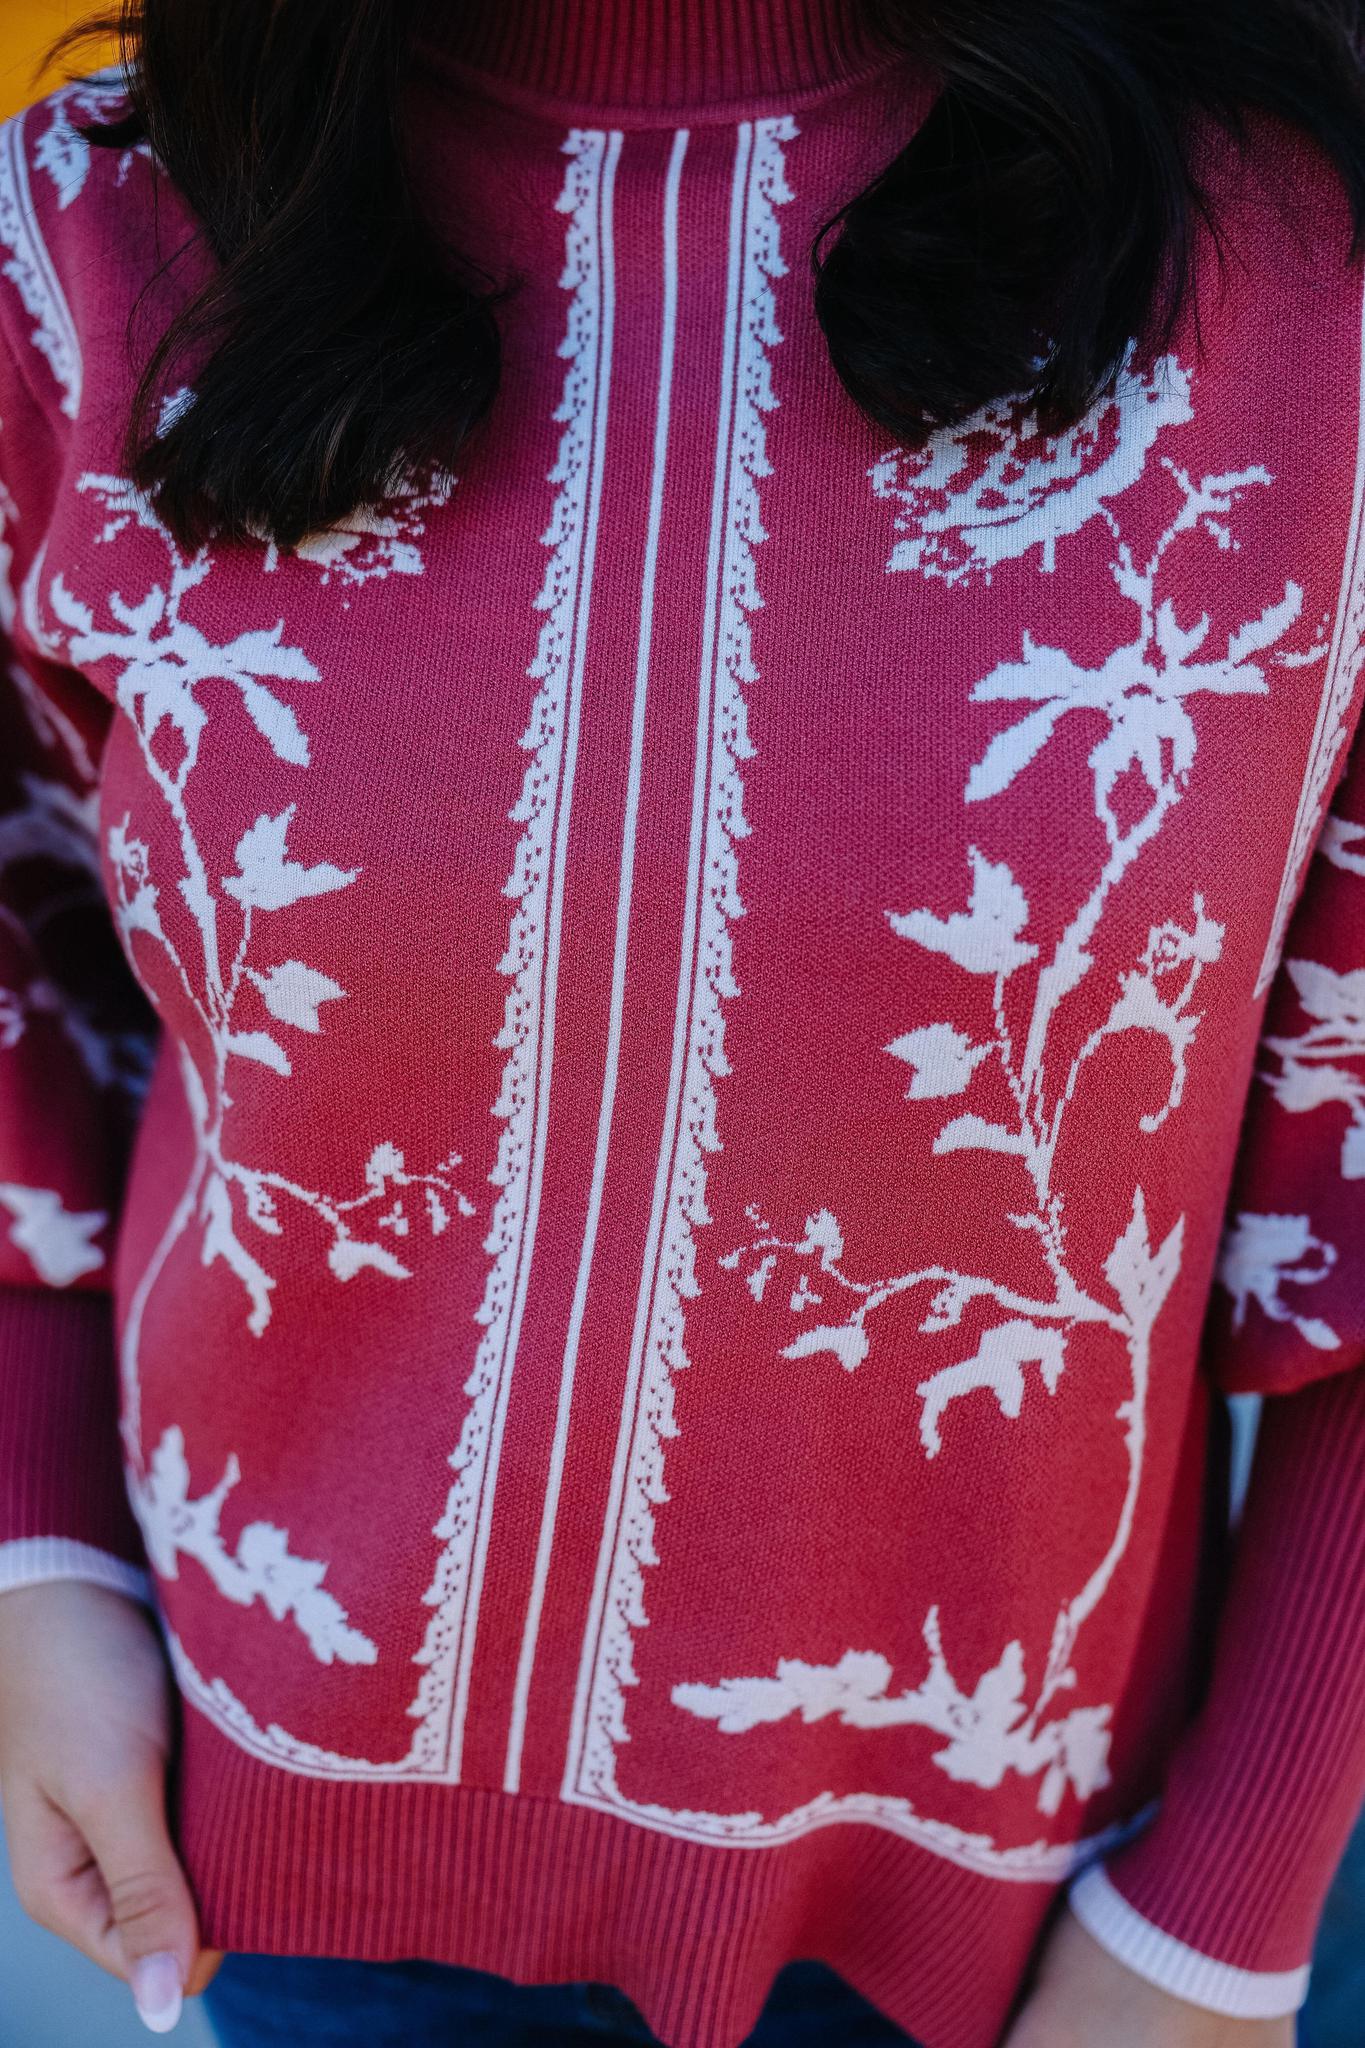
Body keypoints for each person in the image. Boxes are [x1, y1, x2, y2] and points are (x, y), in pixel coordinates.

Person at [1, 1, 1364, 2044]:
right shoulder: (90, 230)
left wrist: (1219, 1924)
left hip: (1057, 1954)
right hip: (265, 1882)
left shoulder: (1304, 278)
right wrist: (33, 1556)